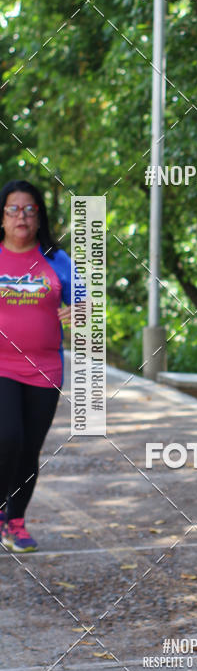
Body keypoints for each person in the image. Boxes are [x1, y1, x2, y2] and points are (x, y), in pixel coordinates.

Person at [0, 180, 72, 552]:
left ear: (39, 216)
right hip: (1, 365)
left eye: (29, 209)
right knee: (7, 436)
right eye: (13, 209)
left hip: (45, 369)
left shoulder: (57, 260)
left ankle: (15, 521)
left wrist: (80, 311)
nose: (21, 216)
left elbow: (87, 304)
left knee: (29, 449)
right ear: (2, 216)